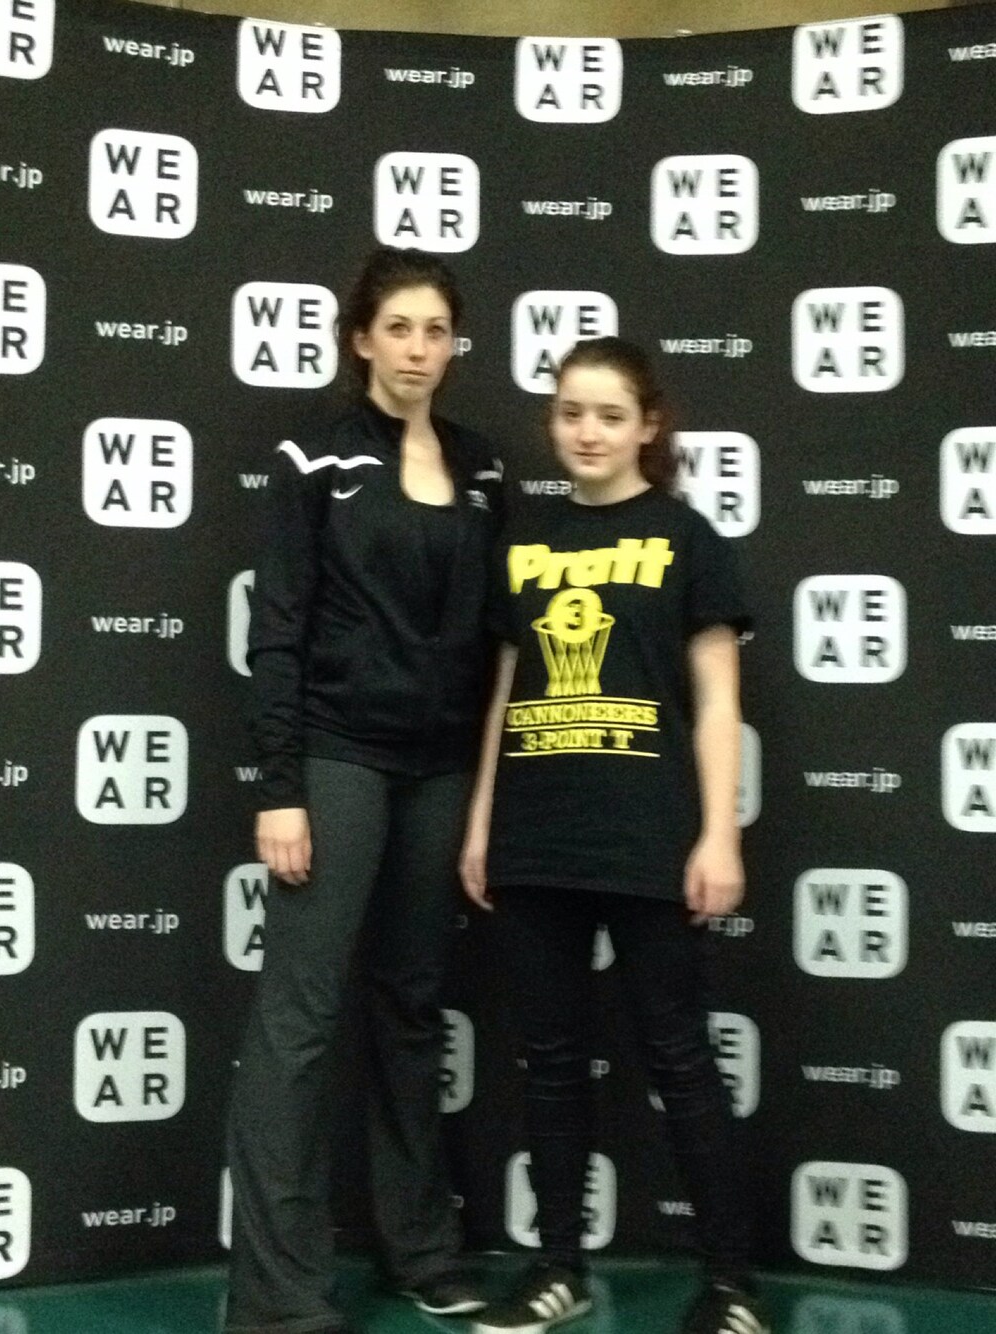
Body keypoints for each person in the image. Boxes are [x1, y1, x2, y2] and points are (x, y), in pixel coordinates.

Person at [460, 337, 768, 1334]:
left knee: (680, 1058)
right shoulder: (524, 539)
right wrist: (482, 823)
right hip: (537, 834)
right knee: (549, 1063)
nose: (586, 432)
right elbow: (507, 690)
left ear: (647, 425)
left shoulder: (685, 535)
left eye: (607, 414)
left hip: (648, 837)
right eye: (569, 413)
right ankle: (558, 1269)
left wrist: (718, 834)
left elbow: (718, 700)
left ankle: (731, 1287)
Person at [225, 246, 502, 1334]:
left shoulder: (482, 468)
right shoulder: (315, 457)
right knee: (298, 1017)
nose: (418, 350)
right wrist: (280, 785)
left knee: (411, 1009)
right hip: (337, 756)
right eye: (399, 329)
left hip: (440, 769)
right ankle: (279, 1292)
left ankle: (421, 1252)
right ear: (361, 340)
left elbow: (495, 639)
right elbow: (278, 629)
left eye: (436, 331)